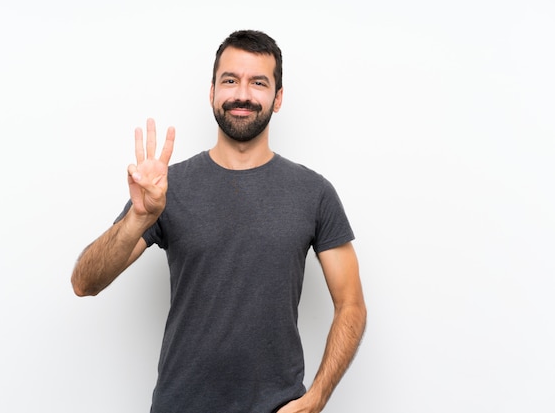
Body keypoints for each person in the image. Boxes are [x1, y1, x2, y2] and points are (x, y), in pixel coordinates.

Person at [71, 30, 366, 413]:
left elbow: (351, 304)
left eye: (258, 82)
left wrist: (316, 399)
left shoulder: (314, 193)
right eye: (230, 80)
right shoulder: (166, 189)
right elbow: (84, 283)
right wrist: (138, 219)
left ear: (277, 98)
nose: (242, 94)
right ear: (211, 92)